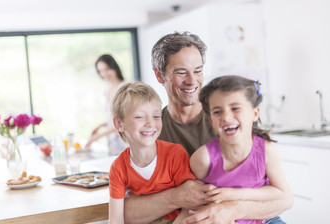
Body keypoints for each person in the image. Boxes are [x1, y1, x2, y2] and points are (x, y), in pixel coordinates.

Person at [123, 31, 293, 224]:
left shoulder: (227, 120)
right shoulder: (149, 132)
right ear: (159, 75)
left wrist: (234, 209)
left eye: (198, 70)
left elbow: (285, 199)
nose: (192, 80)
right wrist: (176, 197)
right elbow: (127, 212)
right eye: (181, 72)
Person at [190, 75, 292, 224]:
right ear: (211, 120)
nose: (226, 117)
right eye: (218, 111)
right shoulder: (203, 158)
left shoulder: (267, 150)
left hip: (265, 219)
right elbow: (193, 200)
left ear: (255, 113)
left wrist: (234, 194)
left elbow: (280, 191)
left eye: (235, 108)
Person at [108, 82, 196, 224]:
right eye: (140, 117)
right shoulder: (118, 168)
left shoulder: (175, 154)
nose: (150, 123)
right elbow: (116, 219)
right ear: (119, 124)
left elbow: (190, 205)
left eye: (156, 116)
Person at [85, 54, 127, 155]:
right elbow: (114, 117)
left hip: (124, 139)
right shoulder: (108, 90)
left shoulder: (125, 87)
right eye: (100, 71)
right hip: (112, 140)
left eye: (107, 69)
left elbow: (124, 119)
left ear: (114, 67)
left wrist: (99, 136)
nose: (104, 74)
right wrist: (101, 126)